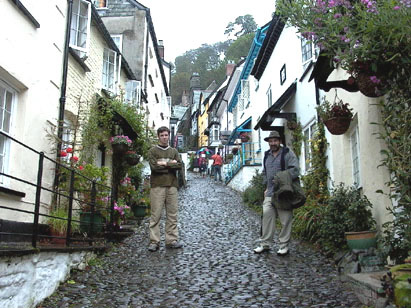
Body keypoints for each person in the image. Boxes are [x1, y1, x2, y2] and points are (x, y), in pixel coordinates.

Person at [254, 130, 300, 256]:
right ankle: (265, 244)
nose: (273, 143)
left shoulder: (287, 153)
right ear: (268, 142)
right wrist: (265, 186)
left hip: (284, 192)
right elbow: (265, 172)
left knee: (285, 219)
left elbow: (295, 170)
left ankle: (283, 245)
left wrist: (281, 177)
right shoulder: (266, 155)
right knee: (267, 215)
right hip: (269, 192)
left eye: (275, 140)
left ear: (279, 141)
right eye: (271, 141)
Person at [147, 126, 183, 252]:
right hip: (157, 185)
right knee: (155, 214)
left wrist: (164, 163)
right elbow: (154, 168)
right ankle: (154, 241)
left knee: (172, 214)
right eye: (162, 135)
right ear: (158, 136)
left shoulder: (174, 151)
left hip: (172, 186)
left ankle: (171, 240)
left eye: (166, 135)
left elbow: (179, 165)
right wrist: (171, 165)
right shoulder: (152, 151)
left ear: (169, 136)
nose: (164, 137)